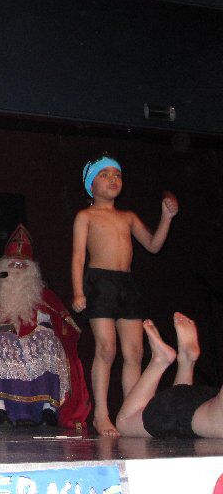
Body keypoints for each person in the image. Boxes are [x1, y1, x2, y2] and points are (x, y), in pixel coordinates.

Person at [71, 155, 179, 436]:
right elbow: (78, 255)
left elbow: (153, 245)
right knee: (106, 348)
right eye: (104, 174)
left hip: (127, 284)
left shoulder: (128, 217)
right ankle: (101, 414)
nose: (113, 179)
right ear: (90, 184)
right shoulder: (86, 216)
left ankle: (132, 413)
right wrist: (78, 291)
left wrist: (166, 218)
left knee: (135, 351)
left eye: (117, 174)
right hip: (99, 282)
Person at [0, 225, 90, 429]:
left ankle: (48, 409)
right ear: (3, 268)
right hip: (4, 340)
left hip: (38, 341)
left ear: (32, 270)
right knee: (0, 341)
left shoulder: (45, 297)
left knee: (48, 341)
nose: (18, 269)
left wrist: (43, 329)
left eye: (22, 265)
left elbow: (64, 326)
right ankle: (0, 410)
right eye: (13, 264)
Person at [116, 312, 223, 438]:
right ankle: (165, 360)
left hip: (203, 405)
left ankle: (179, 361)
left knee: (181, 406)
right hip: (204, 410)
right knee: (125, 422)